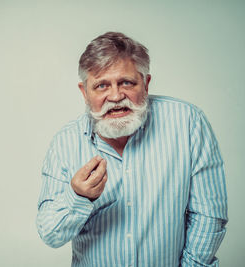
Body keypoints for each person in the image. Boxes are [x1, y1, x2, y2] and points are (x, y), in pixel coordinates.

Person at [36, 32, 228, 267]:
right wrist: (79, 197)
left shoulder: (188, 123)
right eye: (101, 85)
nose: (116, 96)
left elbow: (209, 215)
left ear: (146, 84)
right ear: (85, 92)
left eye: (126, 82)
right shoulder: (65, 143)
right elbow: (50, 234)